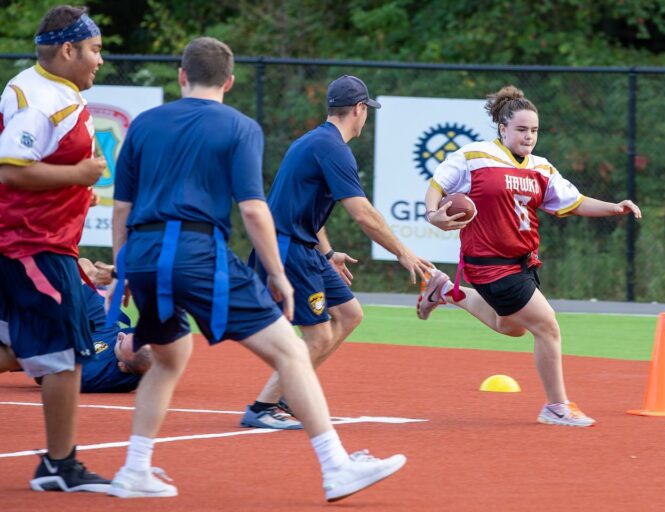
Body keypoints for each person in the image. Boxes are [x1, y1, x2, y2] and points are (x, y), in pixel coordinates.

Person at [106, 37, 406, 500]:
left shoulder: (143, 124)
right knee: (293, 350)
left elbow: (121, 208)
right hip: (196, 252)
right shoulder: (240, 127)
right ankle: (336, 466)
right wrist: (278, 274)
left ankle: (134, 469)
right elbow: (252, 210)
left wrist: (124, 272)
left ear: (181, 76)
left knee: (170, 356)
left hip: (143, 254)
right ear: (229, 81)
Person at [417, 84, 642, 428]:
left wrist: (614, 207)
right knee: (548, 327)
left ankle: (446, 291)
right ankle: (556, 407)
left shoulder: (541, 168)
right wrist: (433, 214)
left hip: (521, 263)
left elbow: (575, 202)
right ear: (503, 128)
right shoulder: (475, 156)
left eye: (534, 130)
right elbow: (437, 184)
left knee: (509, 327)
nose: (528, 136)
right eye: (521, 129)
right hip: (488, 263)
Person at [242, 74, 433, 430]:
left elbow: (311, 206)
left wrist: (327, 254)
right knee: (319, 335)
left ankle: (291, 394)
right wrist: (402, 251)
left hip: (304, 246)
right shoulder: (332, 148)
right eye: (367, 110)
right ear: (359, 109)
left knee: (349, 313)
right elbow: (363, 214)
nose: (367, 116)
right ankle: (262, 407)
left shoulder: (318, 141)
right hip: (289, 247)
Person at [0, 5, 111, 492]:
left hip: (37, 241)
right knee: (67, 352)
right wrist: (80, 176)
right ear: (68, 50)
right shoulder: (41, 100)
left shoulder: (49, 90)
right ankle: (59, 466)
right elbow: (10, 169)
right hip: (31, 244)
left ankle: (60, 464)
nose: (99, 61)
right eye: (94, 50)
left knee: (9, 349)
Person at [0, 260, 152, 393]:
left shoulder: (92, 376)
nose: (122, 334)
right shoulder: (147, 346)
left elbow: (45, 377)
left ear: (123, 367)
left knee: (20, 350)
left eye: (120, 342)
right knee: (82, 266)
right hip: (103, 328)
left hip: (73, 346)